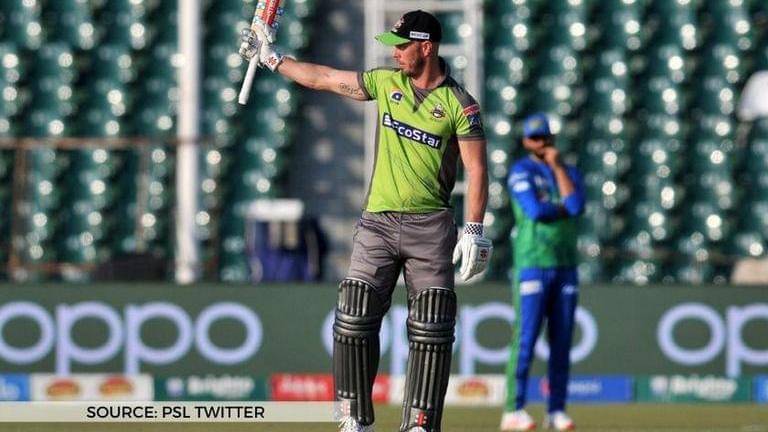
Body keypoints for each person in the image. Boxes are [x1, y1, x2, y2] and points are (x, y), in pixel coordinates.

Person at [240, 10, 493, 432]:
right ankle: (353, 418)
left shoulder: (460, 104)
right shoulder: (386, 83)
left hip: (431, 226)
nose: (394, 54)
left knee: (432, 325)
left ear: (426, 47)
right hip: (377, 222)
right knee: (353, 314)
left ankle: (420, 423)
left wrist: (474, 228)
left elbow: (477, 168)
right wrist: (273, 59)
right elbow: (324, 78)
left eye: (402, 46)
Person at [500, 113, 585, 432]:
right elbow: (535, 211)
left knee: (561, 342)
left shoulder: (569, 171)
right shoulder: (521, 171)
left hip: (565, 265)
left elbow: (576, 207)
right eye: (535, 138)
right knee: (525, 339)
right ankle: (513, 410)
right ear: (526, 142)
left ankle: (556, 410)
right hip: (532, 262)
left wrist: (558, 168)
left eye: (546, 137)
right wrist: (560, 207)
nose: (542, 143)